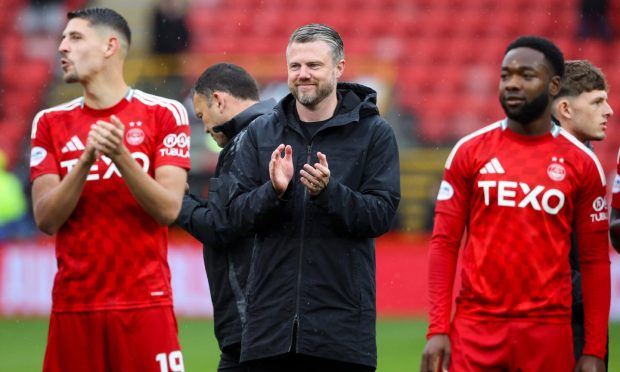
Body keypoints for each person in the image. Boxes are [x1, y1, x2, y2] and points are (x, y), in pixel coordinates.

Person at [421, 36, 610, 372]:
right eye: (506, 75)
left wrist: (594, 348)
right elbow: (444, 244)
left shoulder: (581, 162)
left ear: (553, 86)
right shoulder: (469, 151)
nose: (513, 84)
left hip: (549, 332)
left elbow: (595, 261)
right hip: (475, 328)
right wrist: (437, 328)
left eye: (526, 75)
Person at [227, 24, 400, 371]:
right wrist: (273, 192)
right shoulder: (260, 132)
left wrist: (329, 193)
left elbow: (382, 215)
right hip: (268, 331)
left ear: (339, 68)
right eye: (295, 66)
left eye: (314, 66)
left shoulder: (374, 133)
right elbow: (234, 217)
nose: (303, 75)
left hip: (342, 333)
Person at [29, 8, 190, 372]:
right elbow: (46, 218)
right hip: (74, 307)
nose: (61, 48)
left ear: (109, 47)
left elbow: (168, 209)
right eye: (62, 38)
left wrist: (120, 155)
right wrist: (86, 160)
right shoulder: (49, 123)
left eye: (75, 38)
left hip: (144, 305)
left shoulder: (164, 114)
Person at [175, 63, 275, 371]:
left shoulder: (245, 143)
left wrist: (175, 201)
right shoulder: (273, 132)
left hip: (253, 323)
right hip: (266, 320)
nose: (204, 128)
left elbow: (221, 226)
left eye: (202, 115)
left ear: (219, 100)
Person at [551, 59, 613, 366]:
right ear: (566, 109)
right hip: (555, 322)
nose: (609, 111)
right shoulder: (540, 168)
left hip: (581, 317)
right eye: (598, 101)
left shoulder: (586, 160)